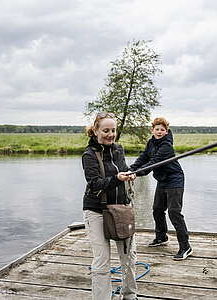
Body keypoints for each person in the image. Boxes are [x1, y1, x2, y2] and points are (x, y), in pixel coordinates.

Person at [82, 112, 138, 300]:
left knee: (129, 257)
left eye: (113, 130)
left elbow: (123, 169)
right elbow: (95, 183)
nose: (110, 134)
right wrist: (117, 179)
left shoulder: (119, 149)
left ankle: (130, 295)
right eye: (105, 130)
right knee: (102, 260)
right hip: (96, 211)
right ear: (96, 131)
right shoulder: (88, 155)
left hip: (121, 209)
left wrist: (129, 174)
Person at [129, 117, 192, 260]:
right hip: (162, 180)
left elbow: (154, 163)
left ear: (166, 131)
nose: (159, 132)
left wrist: (136, 173)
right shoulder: (151, 142)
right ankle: (161, 237)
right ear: (152, 130)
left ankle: (185, 246)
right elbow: (144, 157)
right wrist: (131, 169)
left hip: (174, 180)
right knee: (157, 209)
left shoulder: (166, 146)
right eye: (157, 129)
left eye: (162, 130)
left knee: (174, 212)